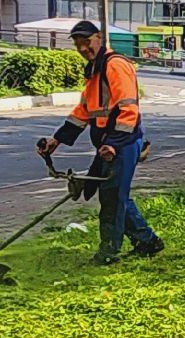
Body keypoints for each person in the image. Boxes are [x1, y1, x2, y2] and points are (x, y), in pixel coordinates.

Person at [36, 21, 165, 264]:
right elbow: (84, 110)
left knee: (112, 200)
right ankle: (148, 241)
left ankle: (108, 253)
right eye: (78, 45)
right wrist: (57, 139)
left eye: (87, 42)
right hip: (110, 144)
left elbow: (128, 110)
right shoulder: (95, 69)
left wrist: (114, 143)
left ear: (99, 38)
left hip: (123, 143)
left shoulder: (115, 65)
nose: (83, 48)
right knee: (116, 196)